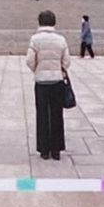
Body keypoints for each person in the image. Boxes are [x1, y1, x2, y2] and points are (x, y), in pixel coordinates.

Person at [25, 9, 71, 162]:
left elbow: (29, 60)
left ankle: (44, 150)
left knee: (42, 114)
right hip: (57, 81)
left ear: (40, 22)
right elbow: (67, 62)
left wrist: (37, 70)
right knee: (57, 114)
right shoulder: (61, 40)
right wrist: (59, 69)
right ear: (54, 22)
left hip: (41, 83)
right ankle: (56, 150)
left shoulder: (35, 39)